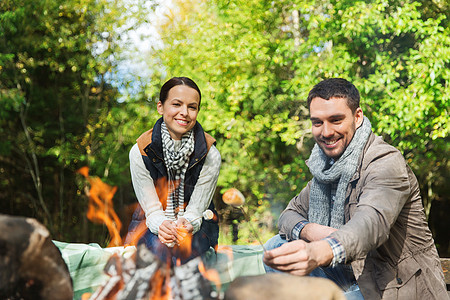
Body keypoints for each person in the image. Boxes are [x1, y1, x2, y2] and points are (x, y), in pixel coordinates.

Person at [263, 78, 448, 299]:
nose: (326, 132)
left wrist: (324, 249)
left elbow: (371, 224)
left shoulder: (385, 161)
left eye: (336, 120)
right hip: (350, 276)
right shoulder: (326, 169)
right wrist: (312, 231)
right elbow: (288, 214)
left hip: (392, 284)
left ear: (357, 117)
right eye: (317, 122)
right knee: (275, 246)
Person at [125, 77, 221, 265]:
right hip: (150, 224)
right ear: (160, 107)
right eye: (176, 104)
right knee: (159, 252)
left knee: (187, 253)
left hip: (197, 227)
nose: (184, 113)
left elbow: (196, 210)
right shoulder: (140, 151)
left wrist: (187, 224)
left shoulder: (210, 154)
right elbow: (151, 210)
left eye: (192, 107)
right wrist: (162, 225)